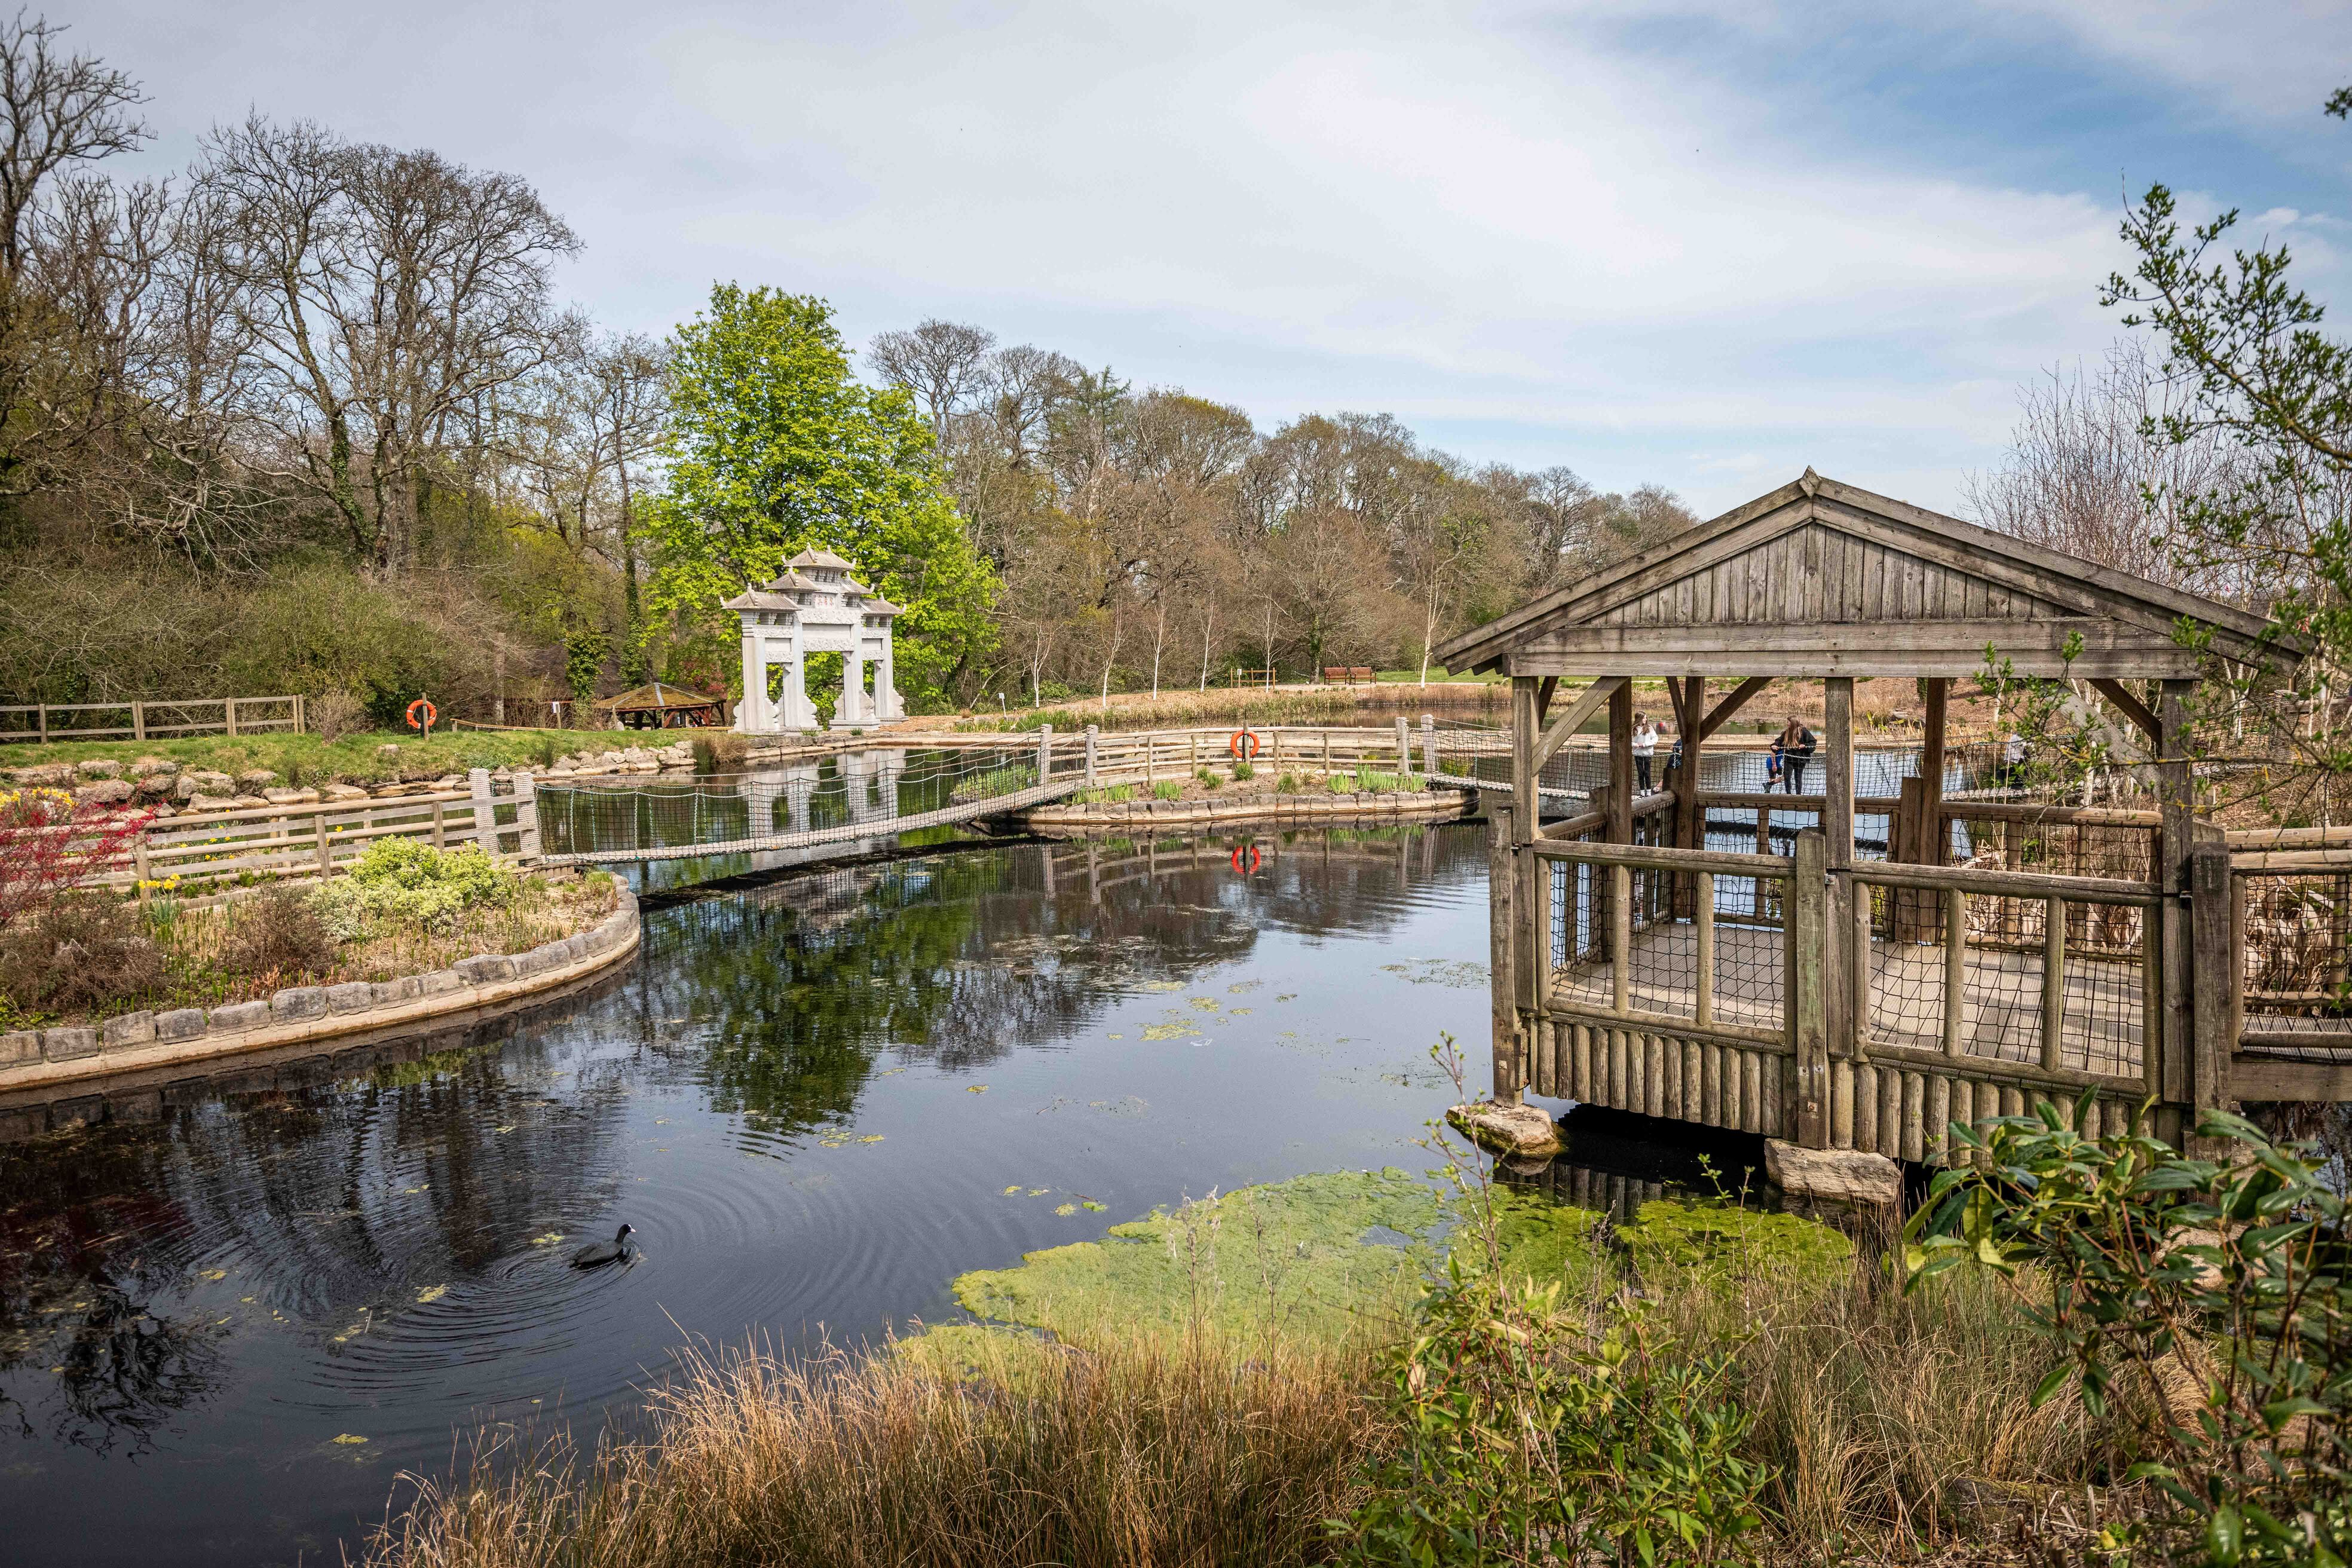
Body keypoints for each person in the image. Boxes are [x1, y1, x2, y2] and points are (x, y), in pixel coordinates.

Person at [1778, 716, 1817, 795]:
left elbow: (1813, 742)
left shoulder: (1804, 731)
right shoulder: (1787, 732)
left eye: (1788, 722)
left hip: (1800, 759)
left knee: (1798, 777)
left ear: (1793, 723)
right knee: (1787, 777)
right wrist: (1775, 745)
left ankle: (1798, 795)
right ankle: (1788, 794)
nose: (1787, 723)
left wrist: (1805, 746)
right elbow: (1779, 741)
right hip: (1789, 759)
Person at [1631, 711, 1659, 792]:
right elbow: (1628, 741)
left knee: (1647, 773)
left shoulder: (1649, 728)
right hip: (1638, 754)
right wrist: (1635, 744)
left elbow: (1655, 739)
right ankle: (1642, 792)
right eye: (1644, 718)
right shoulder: (1634, 729)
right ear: (1639, 718)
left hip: (1648, 753)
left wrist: (1645, 744)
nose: (1645, 719)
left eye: (1646, 718)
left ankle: (1649, 791)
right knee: (1641, 773)